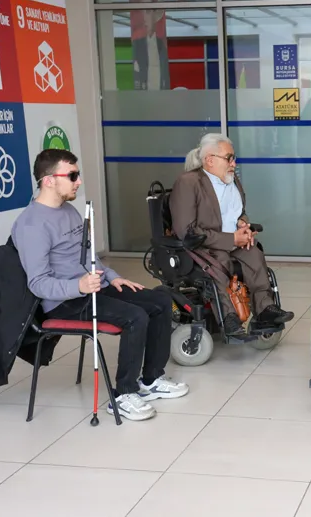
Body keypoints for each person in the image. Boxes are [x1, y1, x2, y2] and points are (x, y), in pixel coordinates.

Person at [11, 149, 188, 421]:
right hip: (65, 302)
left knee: (160, 301)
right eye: (72, 175)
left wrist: (112, 276)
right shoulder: (31, 225)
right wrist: (79, 287)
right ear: (48, 180)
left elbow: (89, 258)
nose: (79, 181)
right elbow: (38, 283)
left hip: (93, 286)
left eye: (78, 174)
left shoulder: (69, 211)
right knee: (135, 317)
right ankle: (123, 395)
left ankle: (151, 380)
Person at [169, 133, 294, 337]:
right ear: (210, 160)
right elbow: (187, 231)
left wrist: (243, 223)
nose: (234, 164)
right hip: (202, 246)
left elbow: (237, 211)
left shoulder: (231, 179)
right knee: (220, 260)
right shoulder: (189, 183)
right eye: (229, 158)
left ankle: (265, 309)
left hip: (231, 241)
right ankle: (229, 317)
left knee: (253, 253)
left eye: (233, 158)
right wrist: (231, 239)